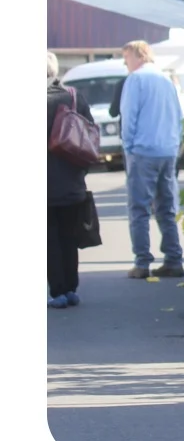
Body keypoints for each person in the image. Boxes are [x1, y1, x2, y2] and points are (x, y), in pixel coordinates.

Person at [116, 40, 184, 280]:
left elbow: (129, 116)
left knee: (139, 208)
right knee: (166, 208)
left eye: (126, 59)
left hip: (143, 151)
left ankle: (142, 262)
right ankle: (173, 259)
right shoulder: (166, 80)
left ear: (136, 56)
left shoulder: (135, 79)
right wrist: (175, 144)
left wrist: (128, 147)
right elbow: (179, 116)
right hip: (167, 150)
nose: (126, 65)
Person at [48, 53, 99, 308]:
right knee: (69, 237)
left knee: (49, 238)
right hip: (72, 179)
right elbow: (90, 134)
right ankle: (71, 289)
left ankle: (57, 291)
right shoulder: (74, 96)